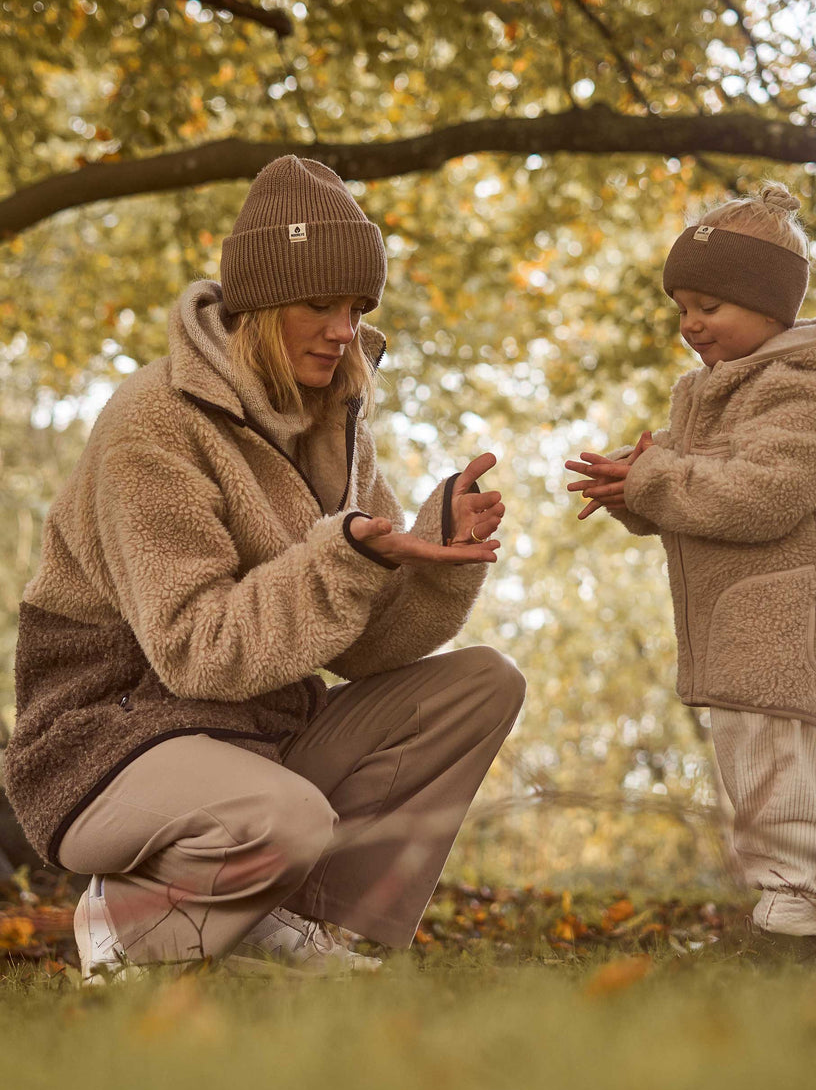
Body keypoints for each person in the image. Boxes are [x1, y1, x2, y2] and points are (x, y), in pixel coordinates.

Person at [5, 155, 525, 980]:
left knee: (484, 682)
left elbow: (360, 645)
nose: (343, 328)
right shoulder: (154, 419)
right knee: (286, 818)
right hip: (112, 740)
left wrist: (436, 556)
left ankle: (297, 926)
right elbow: (195, 649)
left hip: (258, 737)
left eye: (356, 307)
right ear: (259, 304)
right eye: (320, 304)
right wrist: (343, 554)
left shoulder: (334, 421)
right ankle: (125, 928)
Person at [565, 183, 816, 937]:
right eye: (682, 308)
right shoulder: (716, 393)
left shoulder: (803, 392)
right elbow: (689, 481)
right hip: (740, 629)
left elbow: (764, 494)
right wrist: (632, 488)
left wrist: (652, 481)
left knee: (779, 772)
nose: (691, 324)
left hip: (785, 629)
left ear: (771, 304)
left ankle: (797, 916)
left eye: (709, 305)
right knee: (763, 769)